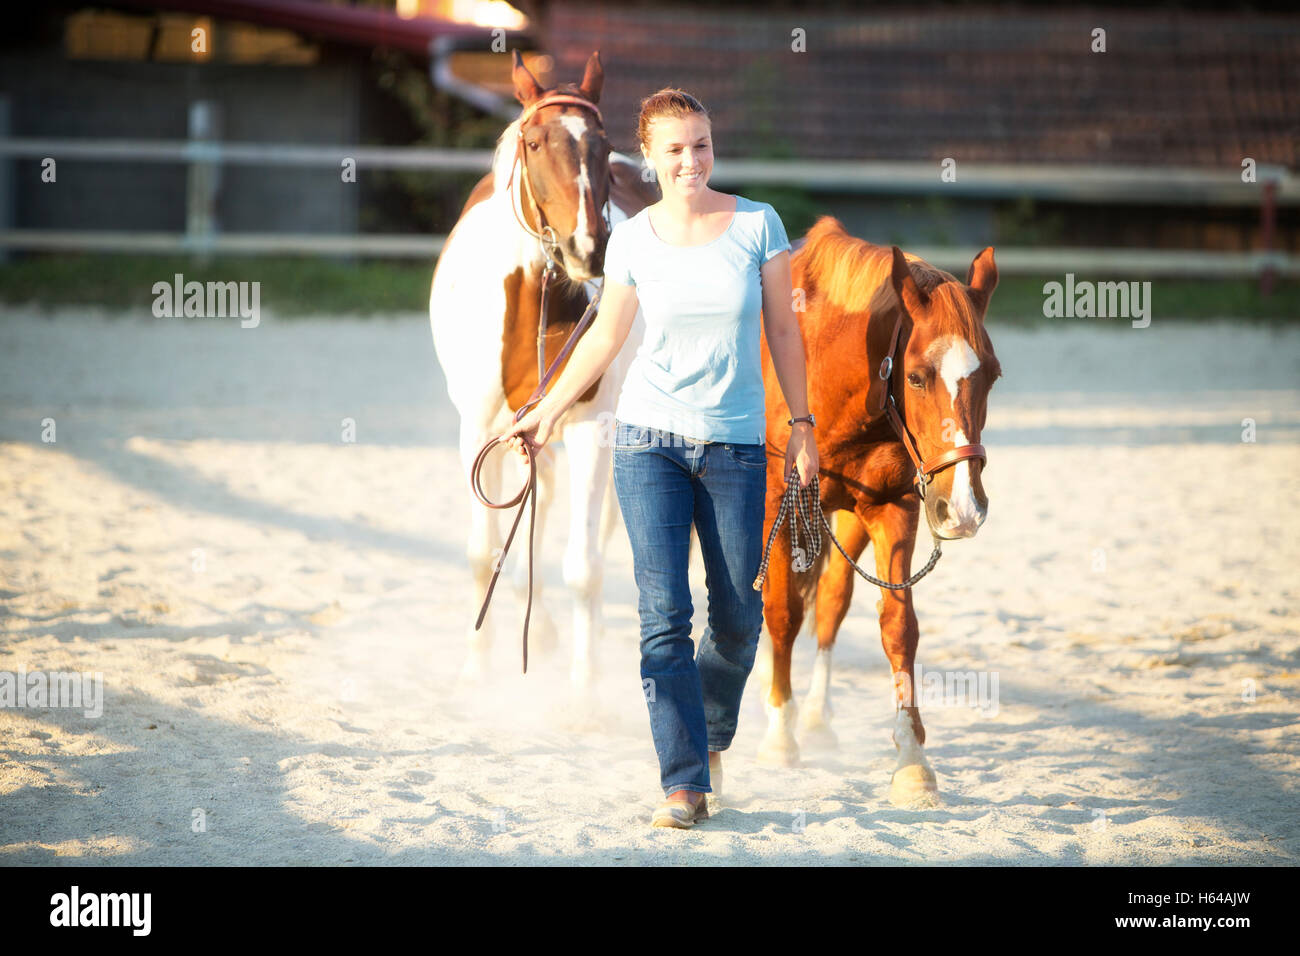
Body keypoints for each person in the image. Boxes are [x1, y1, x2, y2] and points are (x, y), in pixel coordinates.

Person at [499, 89, 818, 829]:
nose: (690, 161)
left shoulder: (758, 226)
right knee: (662, 617)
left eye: (701, 145)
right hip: (647, 445)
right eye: (674, 149)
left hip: (736, 444)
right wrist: (546, 411)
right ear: (648, 157)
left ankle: (708, 732)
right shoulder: (633, 238)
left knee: (740, 615)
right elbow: (606, 337)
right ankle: (682, 781)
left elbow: (784, 333)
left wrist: (801, 424)